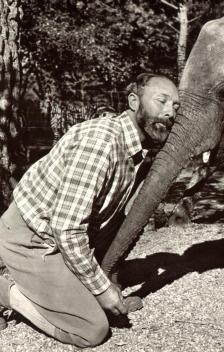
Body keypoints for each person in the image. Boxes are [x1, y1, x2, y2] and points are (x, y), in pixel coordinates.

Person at [0, 73, 180, 347]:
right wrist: (103, 290)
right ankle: (5, 291)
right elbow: (67, 229)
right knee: (92, 330)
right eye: (161, 101)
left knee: (113, 287)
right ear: (134, 101)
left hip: (55, 240)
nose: (169, 112)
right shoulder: (101, 142)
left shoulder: (134, 149)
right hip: (32, 241)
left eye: (176, 106)